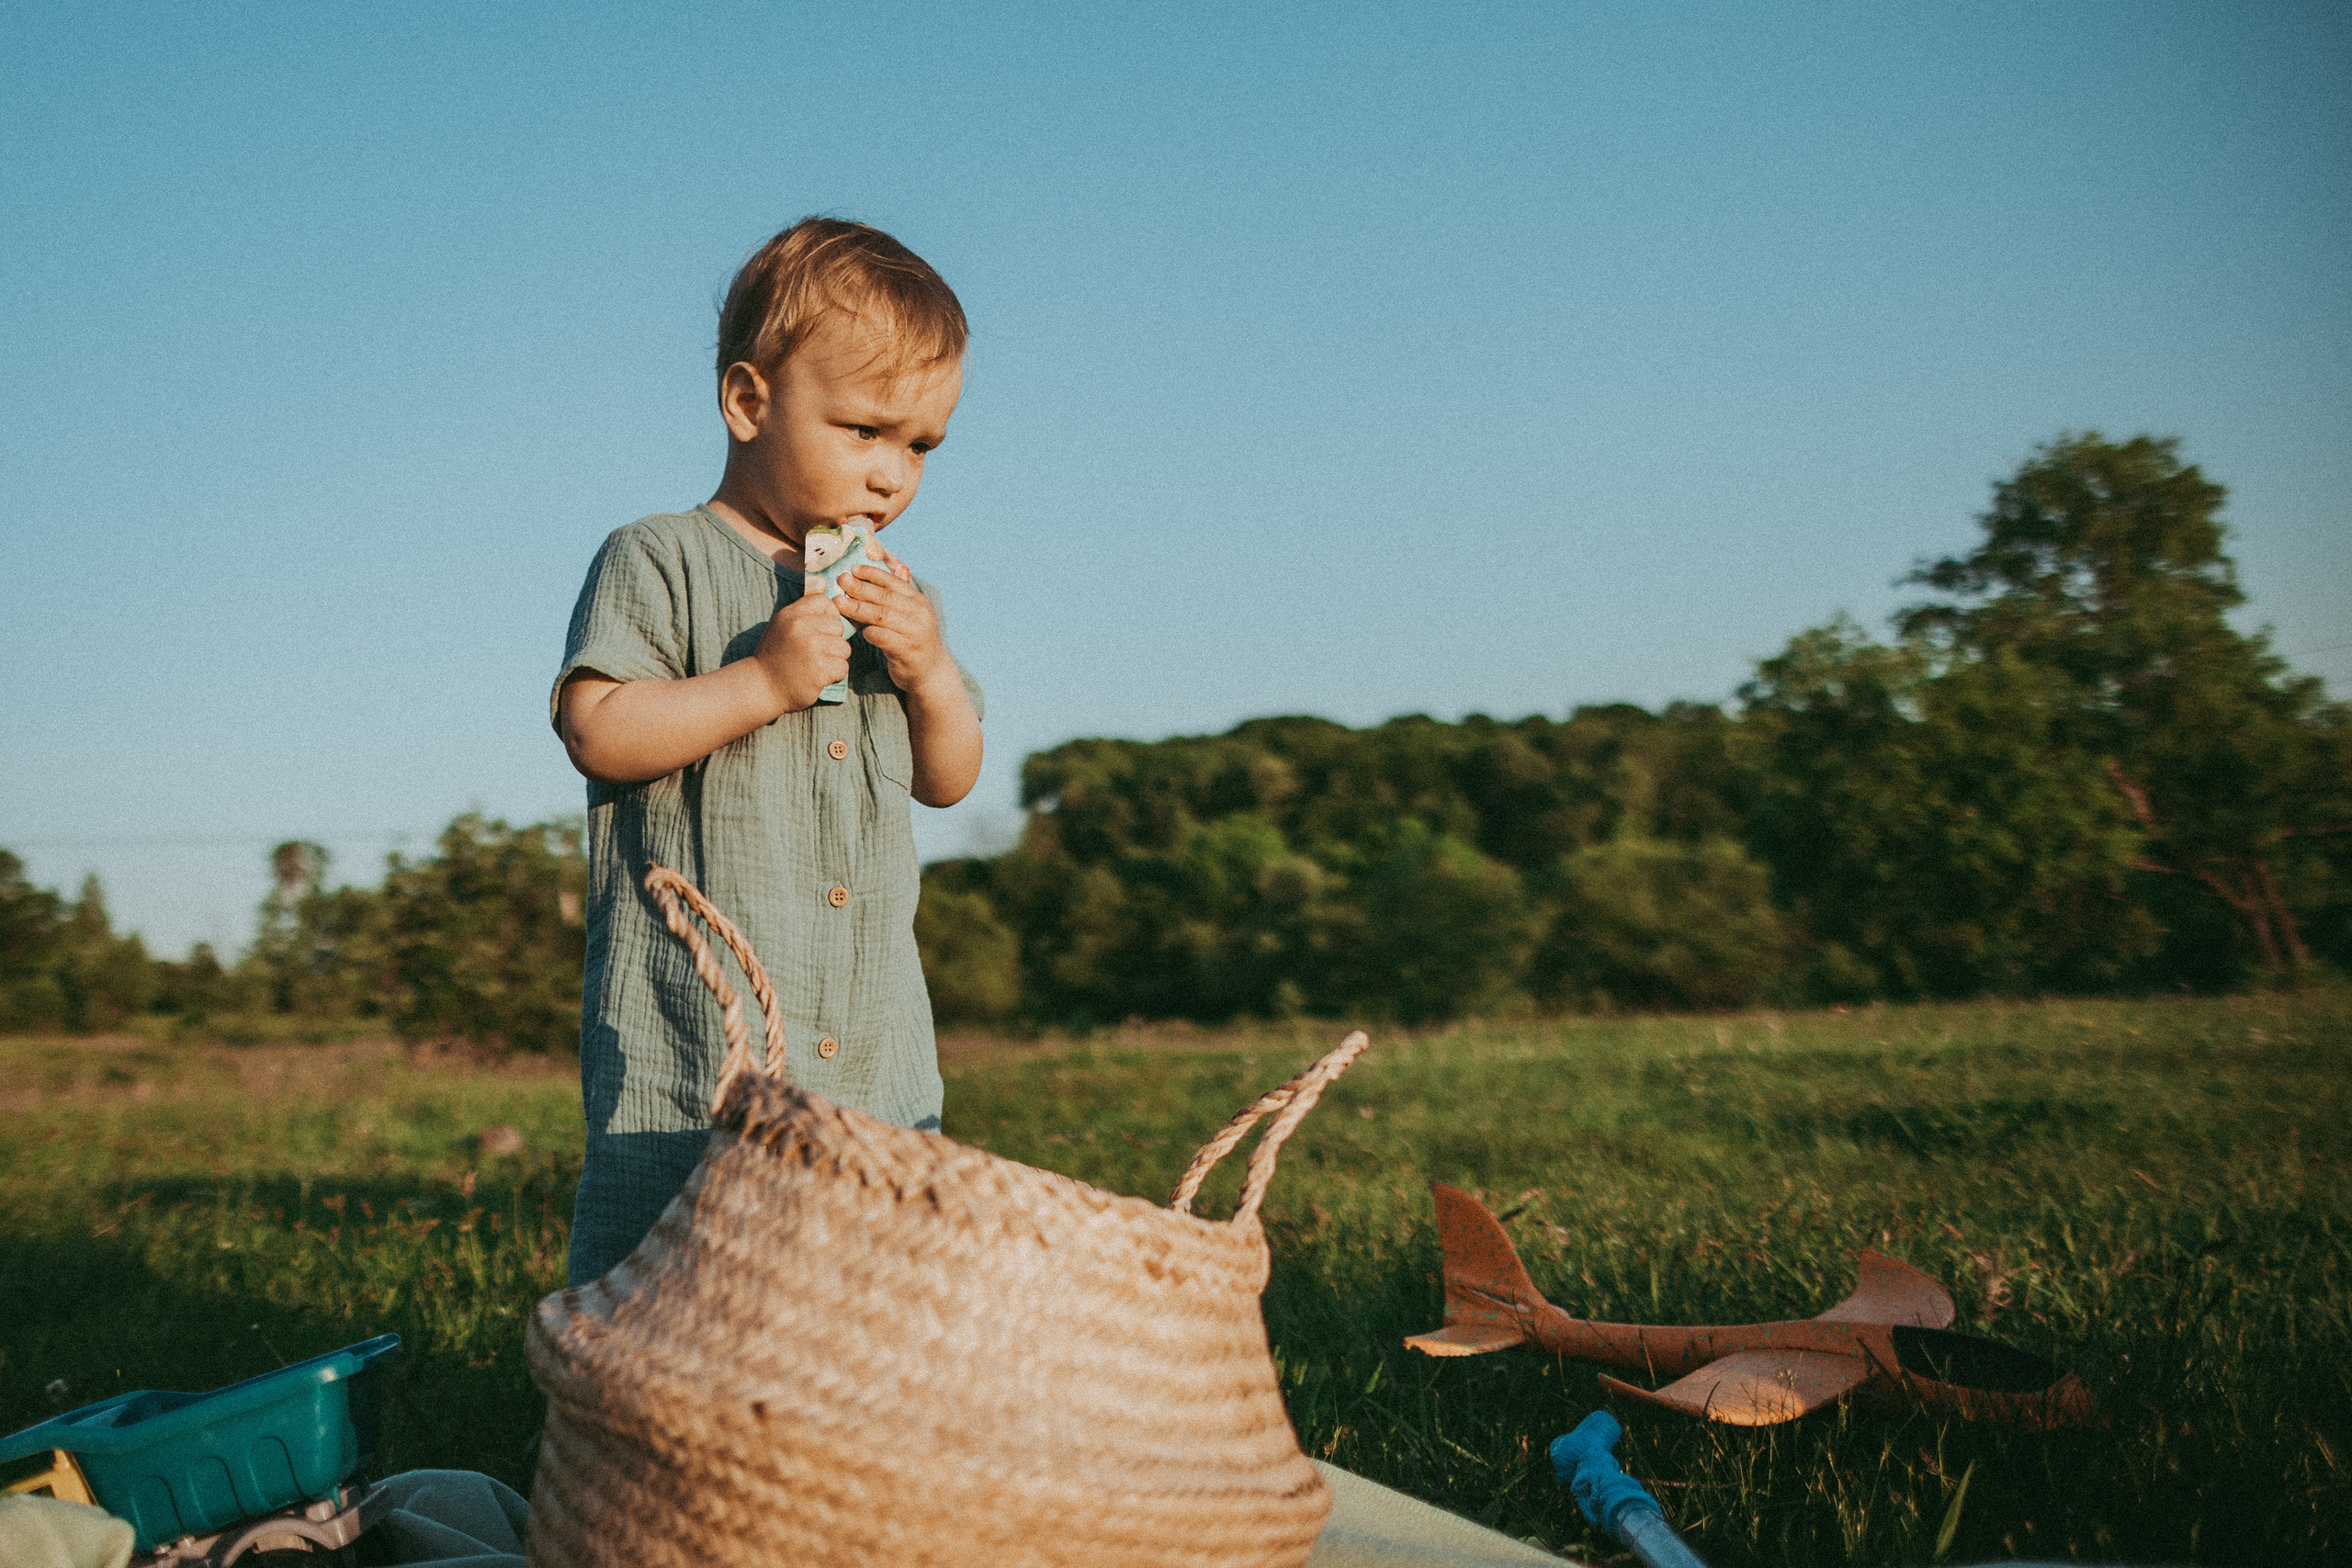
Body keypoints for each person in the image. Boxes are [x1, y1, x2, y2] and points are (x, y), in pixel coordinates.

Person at [552, 218, 983, 1284]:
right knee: (677, 1282)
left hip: (872, 1036)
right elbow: (598, 730)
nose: (892, 476)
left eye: (921, 446)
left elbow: (949, 778)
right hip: (702, 1045)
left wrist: (928, 672)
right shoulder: (658, 558)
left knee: (870, 1289)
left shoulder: (902, 600)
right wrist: (760, 683)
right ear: (749, 403)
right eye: (864, 430)